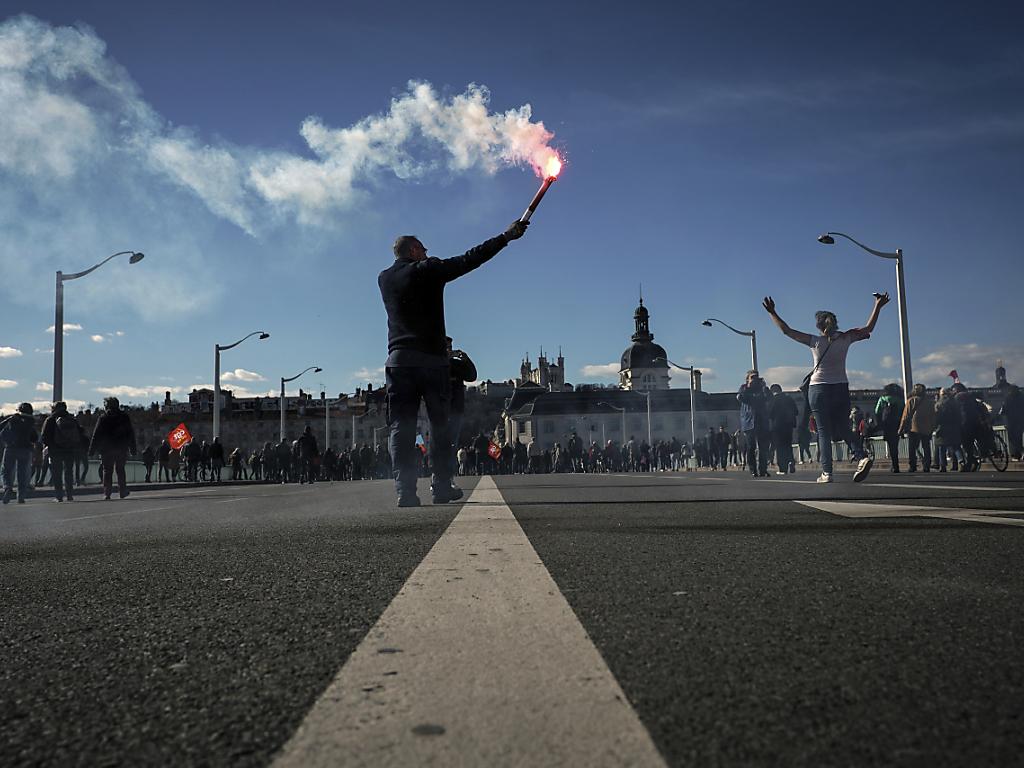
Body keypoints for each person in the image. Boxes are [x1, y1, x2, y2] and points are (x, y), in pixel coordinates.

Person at [379, 220, 529, 506]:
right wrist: (506, 237)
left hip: (398, 362)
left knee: (401, 427)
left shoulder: (384, 278)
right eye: (423, 249)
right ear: (414, 250)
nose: (427, 253)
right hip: (431, 361)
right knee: (440, 425)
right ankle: (441, 485)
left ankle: (405, 491)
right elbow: (469, 259)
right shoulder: (428, 269)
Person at [762, 294, 887, 483]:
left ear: (819, 326)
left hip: (819, 388)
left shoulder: (816, 341)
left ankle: (827, 473)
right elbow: (869, 328)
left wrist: (772, 312)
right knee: (844, 427)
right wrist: (878, 305)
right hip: (840, 387)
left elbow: (787, 331)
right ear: (835, 323)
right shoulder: (846, 338)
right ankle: (861, 456)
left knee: (823, 431)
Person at [88, 396, 137, 500]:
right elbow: (130, 433)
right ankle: (122, 491)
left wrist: (91, 450)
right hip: (121, 448)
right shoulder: (124, 417)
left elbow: (96, 435)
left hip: (107, 449)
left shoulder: (103, 418)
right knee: (120, 470)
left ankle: (107, 493)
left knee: (107, 470)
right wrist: (133, 448)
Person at [41, 401, 81, 502]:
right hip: (69, 449)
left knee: (57, 473)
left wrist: (48, 446)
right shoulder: (72, 419)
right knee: (69, 472)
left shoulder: (50, 419)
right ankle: (69, 494)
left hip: (55, 450)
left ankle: (59, 496)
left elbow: (44, 436)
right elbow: (80, 433)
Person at [1, 403, 38, 504]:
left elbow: (2, 430)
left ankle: (7, 487)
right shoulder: (31, 421)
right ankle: (20, 496)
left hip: (11, 448)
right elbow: (35, 438)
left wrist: (7, 441)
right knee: (23, 473)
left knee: (6, 470)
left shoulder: (13, 419)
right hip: (26, 449)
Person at [737, 371, 771, 477]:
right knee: (751, 447)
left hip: (761, 420)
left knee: (763, 447)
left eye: (756, 377)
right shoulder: (744, 388)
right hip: (749, 421)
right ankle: (753, 469)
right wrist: (748, 387)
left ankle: (763, 469)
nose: (755, 379)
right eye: (752, 377)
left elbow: (769, 398)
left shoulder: (762, 389)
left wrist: (764, 387)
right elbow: (741, 398)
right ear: (747, 379)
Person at [898, 383, 934, 473]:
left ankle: (913, 465)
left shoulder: (911, 401)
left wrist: (901, 429)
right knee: (926, 447)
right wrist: (932, 427)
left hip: (913, 427)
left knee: (912, 447)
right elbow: (933, 415)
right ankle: (927, 465)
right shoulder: (929, 402)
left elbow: (905, 416)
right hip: (926, 427)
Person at [768, 384, 798, 475]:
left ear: (772, 391)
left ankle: (782, 468)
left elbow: (770, 413)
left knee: (780, 447)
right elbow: (796, 411)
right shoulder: (789, 399)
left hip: (778, 426)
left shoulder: (773, 400)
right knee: (788, 445)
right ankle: (791, 461)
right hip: (789, 426)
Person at [875, 383, 905, 472]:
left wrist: (880, 423)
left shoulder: (882, 399)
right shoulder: (899, 400)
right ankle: (896, 465)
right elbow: (903, 412)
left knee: (890, 445)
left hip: (887, 425)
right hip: (896, 424)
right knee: (895, 445)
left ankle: (894, 465)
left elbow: (877, 411)